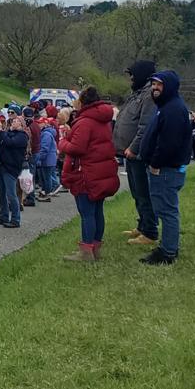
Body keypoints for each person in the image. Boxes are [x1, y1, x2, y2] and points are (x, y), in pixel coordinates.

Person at [58, 87, 120, 263]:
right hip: (100, 170)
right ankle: (95, 247)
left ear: (83, 101)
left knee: (87, 213)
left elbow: (78, 148)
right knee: (97, 210)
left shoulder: (85, 122)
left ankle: (86, 251)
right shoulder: (103, 120)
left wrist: (63, 142)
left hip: (86, 172)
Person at [138, 71, 193, 266]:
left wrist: (155, 163)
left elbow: (169, 143)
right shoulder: (166, 107)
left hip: (166, 170)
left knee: (167, 211)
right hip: (163, 169)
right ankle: (167, 247)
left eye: (159, 85)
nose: (155, 88)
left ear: (169, 86)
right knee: (164, 209)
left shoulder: (174, 110)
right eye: (153, 84)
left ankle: (168, 251)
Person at [113, 60, 159, 246]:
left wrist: (134, 148)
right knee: (136, 192)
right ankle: (142, 225)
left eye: (132, 75)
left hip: (138, 154)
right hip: (128, 153)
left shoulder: (149, 96)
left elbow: (145, 126)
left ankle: (149, 231)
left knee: (143, 192)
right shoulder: (136, 93)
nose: (130, 79)